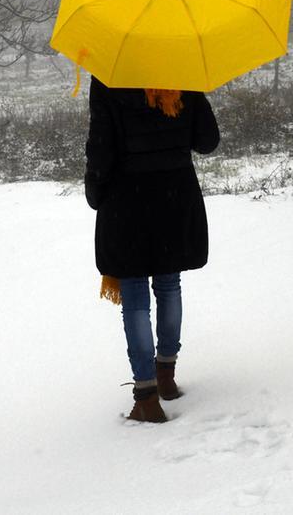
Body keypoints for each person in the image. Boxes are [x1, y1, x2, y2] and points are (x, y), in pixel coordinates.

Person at [84, 76, 220, 423]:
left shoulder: (109, 79)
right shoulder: (178, 73)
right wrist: (194, 93)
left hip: (126, 200)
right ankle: (166, 377)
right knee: (169, 285)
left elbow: (101, 146)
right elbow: (207, 141)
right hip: (174, 198)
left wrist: (95, 191)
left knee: (134, 296)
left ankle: (146, 395)